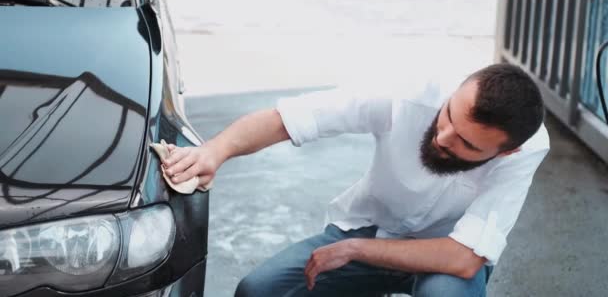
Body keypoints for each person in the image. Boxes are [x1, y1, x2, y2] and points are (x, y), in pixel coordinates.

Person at [162, 63, 550, 297]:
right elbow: (291, 119)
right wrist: (215, 151)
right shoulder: (407, 94)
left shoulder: (527, 149)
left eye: (465, 143)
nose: (443, 136)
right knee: (258, 291)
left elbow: (464, 258)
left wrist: (354, 250)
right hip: (369, 226)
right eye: (449, 115)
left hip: (441, 260)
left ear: (505, 152)